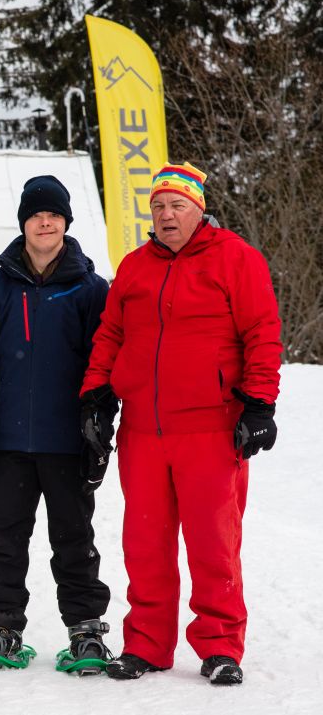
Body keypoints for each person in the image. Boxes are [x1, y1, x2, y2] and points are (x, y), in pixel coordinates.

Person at [80, 162, 282, 686]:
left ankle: (219, 646)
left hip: (212, 429)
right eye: (158, 207)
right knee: (144, 544)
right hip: (143, 430)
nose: (167, 216)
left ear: (199, 209)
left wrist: (259, 404)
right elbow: (110, 336)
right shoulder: (134, 267)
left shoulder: (237, 259)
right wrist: (97, 397)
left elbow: (262, 332)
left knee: (214, 544)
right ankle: (146, 644)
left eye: (177, 206)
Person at [0, 175, 112, 673]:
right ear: (24, 222)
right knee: (5, 538)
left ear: (66, 222)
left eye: (54, 214)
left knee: (74, 539)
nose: (45, 221)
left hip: (67, 441)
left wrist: (97, 424)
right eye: (36, 214)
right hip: (9, 444)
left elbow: (104, 362)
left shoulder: (90, 289)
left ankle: (86, 630)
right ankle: (0, 627)